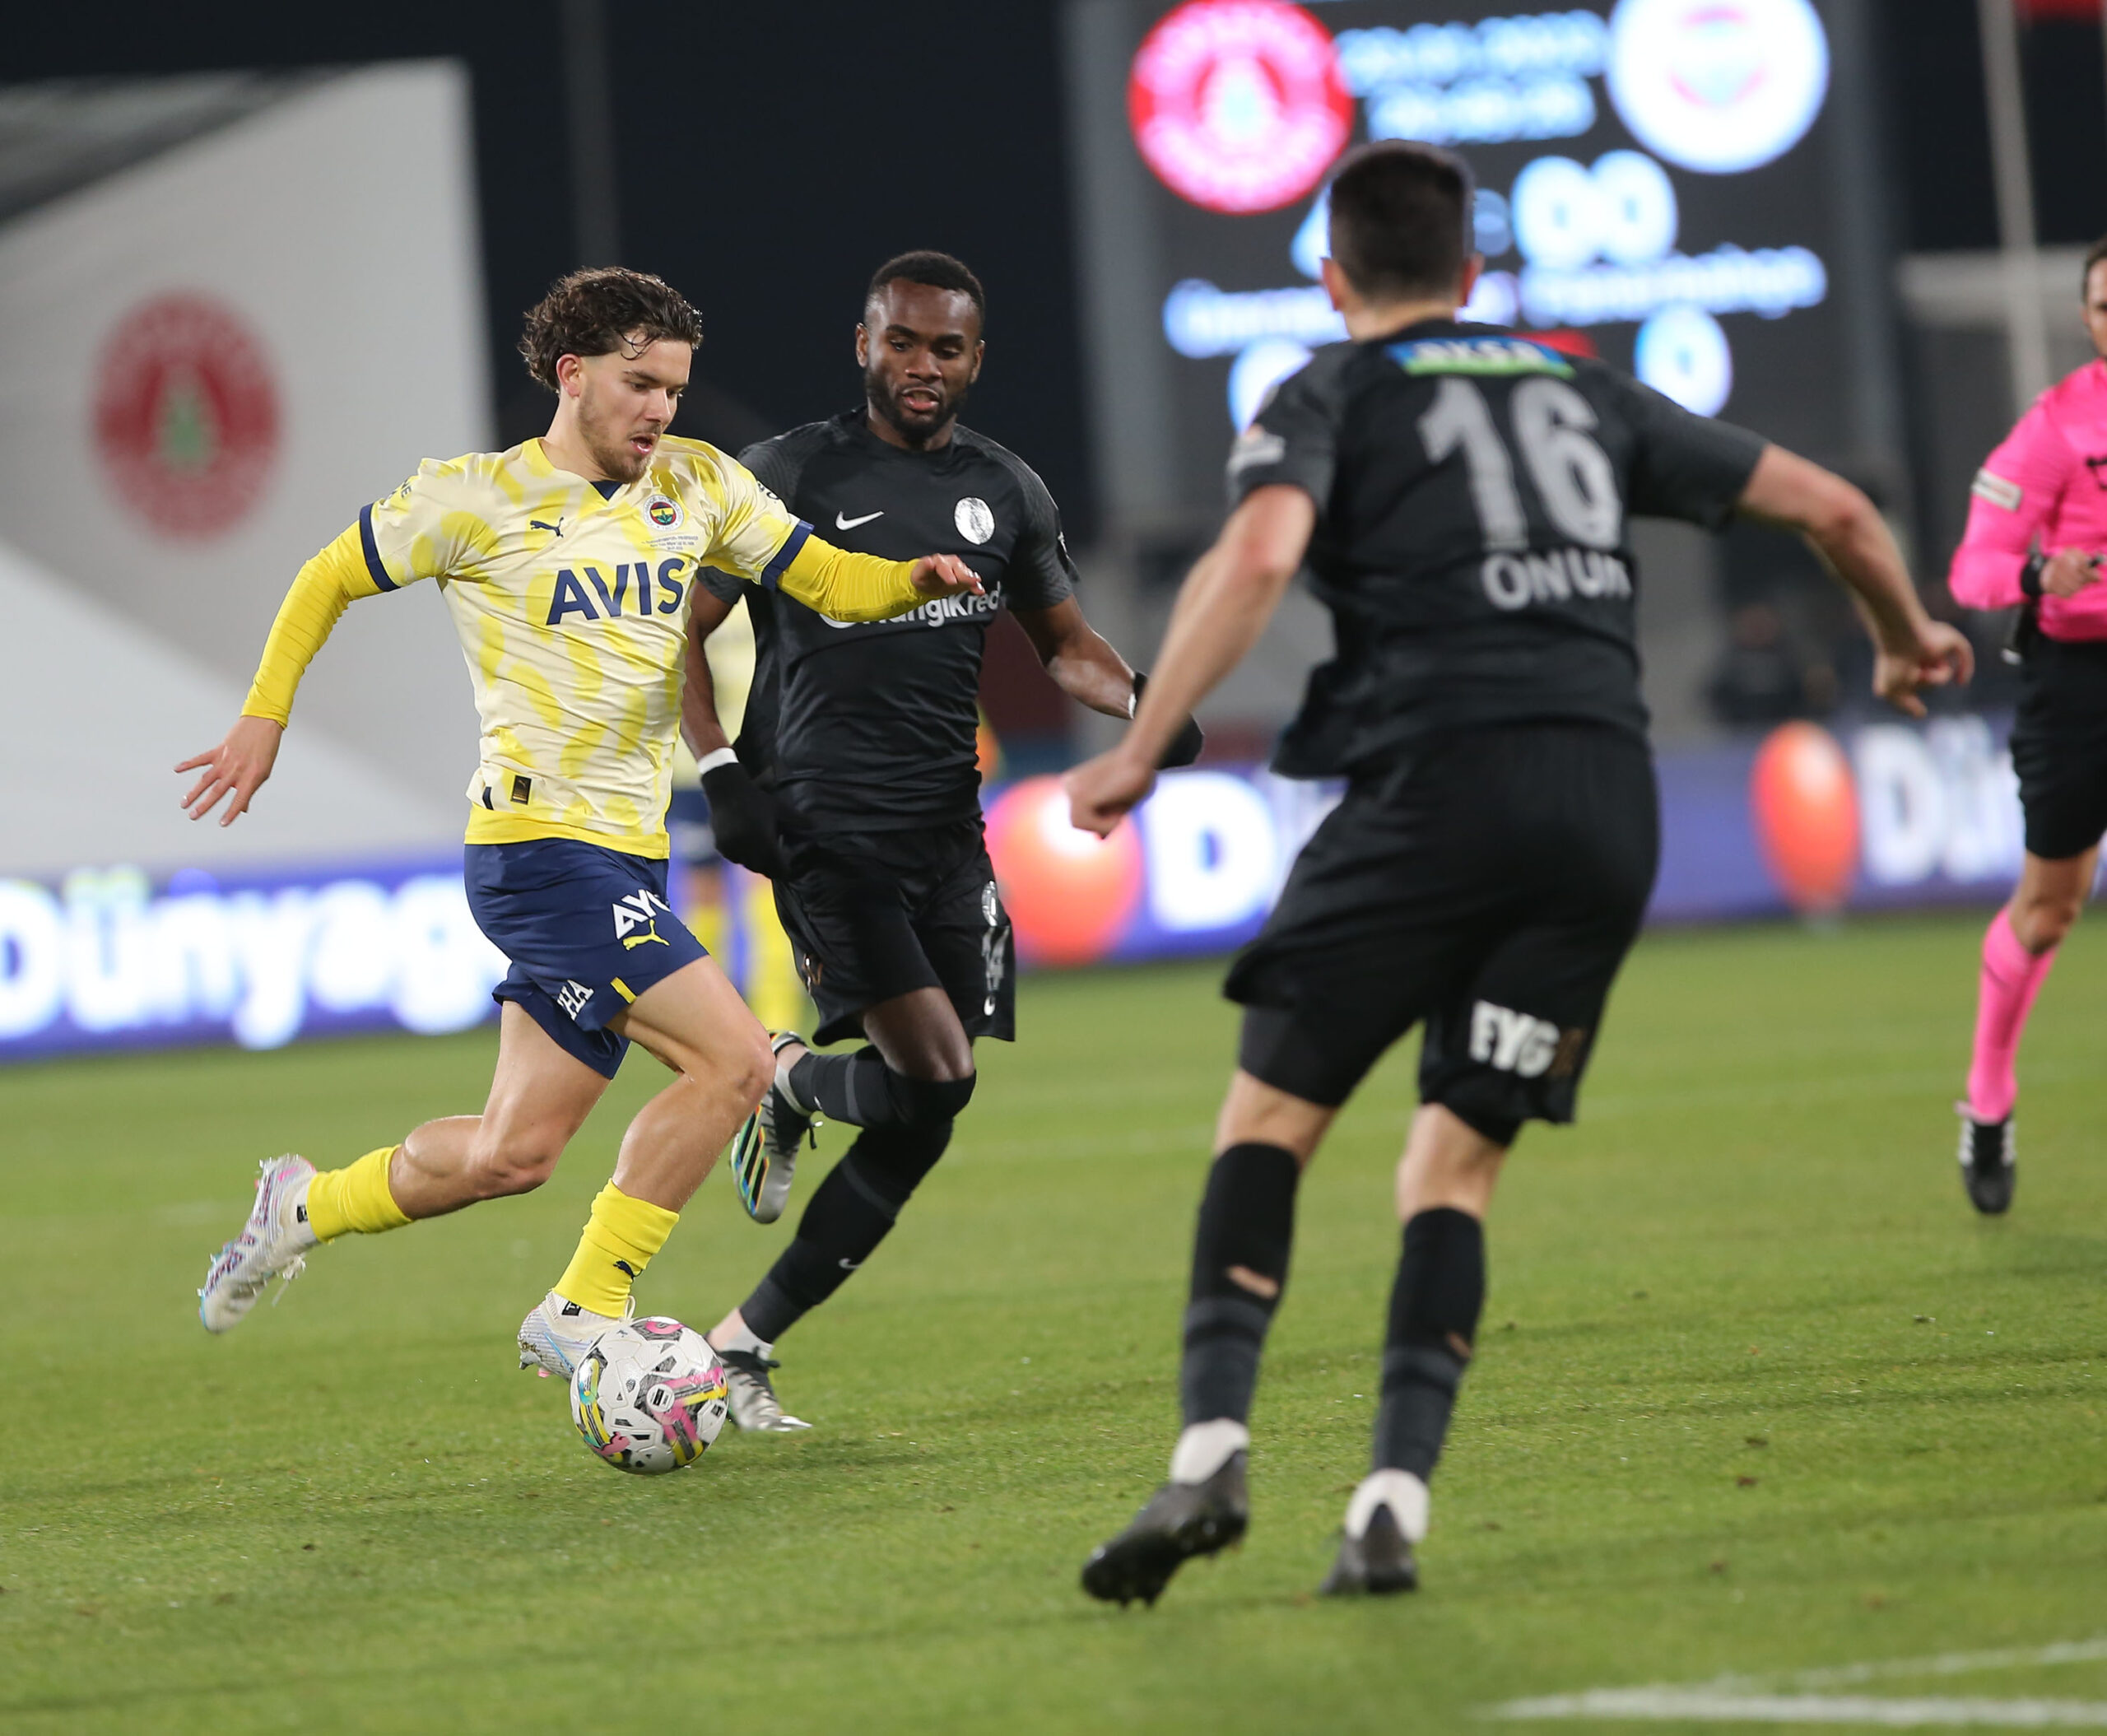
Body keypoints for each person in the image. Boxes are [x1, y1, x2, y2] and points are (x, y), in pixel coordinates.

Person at [1066, 142, 1973, 1603]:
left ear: (1333, 278)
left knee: (1271, 1117)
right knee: (1456, 1161)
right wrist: (1904, 636)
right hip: (1604, 808)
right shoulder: (1586, 388)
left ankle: (1212, 1451)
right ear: (1474, 272)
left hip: (1435, 785)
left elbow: (1258, 557)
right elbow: (1839, 512)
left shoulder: (1327, 390)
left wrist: (1141, 745)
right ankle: (1391, 1501)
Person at [182, 268, 981, 1377]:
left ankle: (302, 1206)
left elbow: (830, 580)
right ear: (573, 374)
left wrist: (911, 583)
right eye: (640, 385)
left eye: (675, 390)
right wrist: (263, 718)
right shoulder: (474, 499)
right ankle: (584, 1307)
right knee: (736, 1065)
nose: (661, 410)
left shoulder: (698, 483)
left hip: (626, 861)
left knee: (510, 1155)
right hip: (539, 855)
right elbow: (327, 577)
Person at [679, 251, 1202, 1431]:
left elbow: (1064, 645)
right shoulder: (786, 474)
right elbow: (681, 629)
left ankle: (743, 1342)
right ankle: (783, 1076)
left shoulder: (1006, 490)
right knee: (938, 1073)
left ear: (975, 360)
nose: (923, 365)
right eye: (902, 342)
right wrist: (721, 773)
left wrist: (1147, 702)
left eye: (946, 348)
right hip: (824, 825)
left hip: (947, 836)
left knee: (928, 1115)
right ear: (863, 345)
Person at [1946, 235, 2107, 1216]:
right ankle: (1988, 1096)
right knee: (2048, 911)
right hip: (2078, 683)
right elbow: (1971, 571)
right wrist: (2038, 574)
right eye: (2104, 305)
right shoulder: (2055, 427)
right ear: (2086, 320)